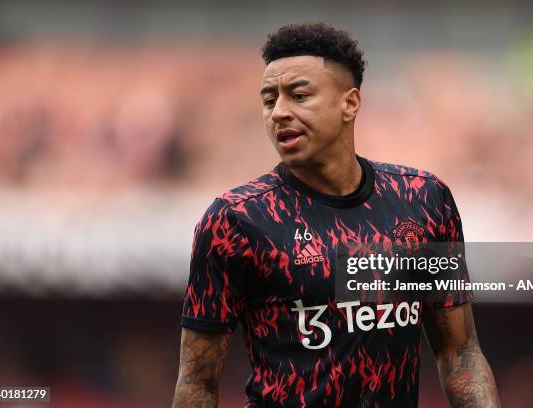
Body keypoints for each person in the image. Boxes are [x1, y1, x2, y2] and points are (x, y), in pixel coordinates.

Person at [172, 22, 500, 407]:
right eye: (268, 100)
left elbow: (458, 352)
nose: (279, 112)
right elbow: (197, 382)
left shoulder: (423, 200)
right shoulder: (235, 221)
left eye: (298, 95)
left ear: (350, 103)